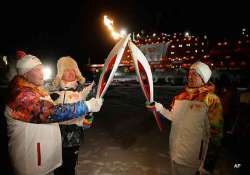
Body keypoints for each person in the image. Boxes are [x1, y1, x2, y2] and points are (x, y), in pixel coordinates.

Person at [4, 51, 103, 175]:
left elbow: (86, 121)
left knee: (68, 170)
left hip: (63, 145)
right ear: (26, 73)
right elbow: (51, 112)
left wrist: (87, 114)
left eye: (42, 69)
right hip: (32, 157)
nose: (42, 73)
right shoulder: (22, 94)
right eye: (37, 70)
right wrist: (86, 106)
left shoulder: (37, 90)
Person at [149, 61, 223, 175]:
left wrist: (208, 165)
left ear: (204, 78)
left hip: (194, 161)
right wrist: (159, 108)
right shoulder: (179, 97)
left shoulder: (211, 100)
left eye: (195, 74)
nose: (190, 76)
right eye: (190, 73)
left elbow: (216, 135)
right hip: (175, 155)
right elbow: (174, 117)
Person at [50, 56, 95, 175]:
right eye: (66, 70)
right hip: (54, 136)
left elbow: (89, 115)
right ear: (60, 73)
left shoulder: (82, 90)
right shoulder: (52, 90)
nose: (71, 73)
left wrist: (87, 120)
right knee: (57, 168)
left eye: (73, 70)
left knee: (69, 168)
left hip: (73, 138)